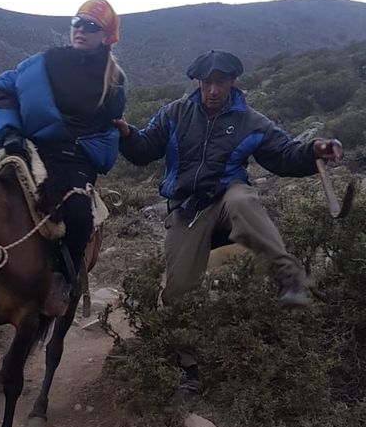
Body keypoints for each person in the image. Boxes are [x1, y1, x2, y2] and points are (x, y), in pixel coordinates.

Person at [114, 49, 342, 389]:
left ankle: (288, 276)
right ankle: (190, 366)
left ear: (233, 82)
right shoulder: (175, 114)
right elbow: (144, 149)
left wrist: (313, 151)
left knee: (242, 196)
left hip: (226, 198)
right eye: (207, 83)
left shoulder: (252, 120)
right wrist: (126, 134)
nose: (213, 91)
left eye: (220, 83)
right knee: (177, 291)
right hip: (188, 207)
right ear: (198, 83)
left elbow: (284, 155)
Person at [0, 0, 127, 291]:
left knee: (77, 213)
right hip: (30, 145)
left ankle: (65, 281)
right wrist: (9, 131)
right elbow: (2, 90)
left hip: (74, 159)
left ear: (105, 37)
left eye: (91, 26)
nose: (81, 30)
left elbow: (108, 125)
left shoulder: (114, 82)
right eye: (77, 22)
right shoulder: (46, 61)